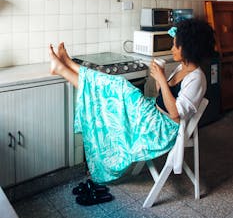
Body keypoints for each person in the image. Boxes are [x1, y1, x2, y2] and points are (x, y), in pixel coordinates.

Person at [49, 18, 215, 183]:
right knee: (111, 93)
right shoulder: (182, 68)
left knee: (116, 87)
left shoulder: (197, 79)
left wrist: (162, 80)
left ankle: (64, 67)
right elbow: (163, 96)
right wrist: (160, 76)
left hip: (160, 128)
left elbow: (174, 114)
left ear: (188, 49)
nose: (171, 49)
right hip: (153, 113)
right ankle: (66, 65)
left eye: (175, 45)